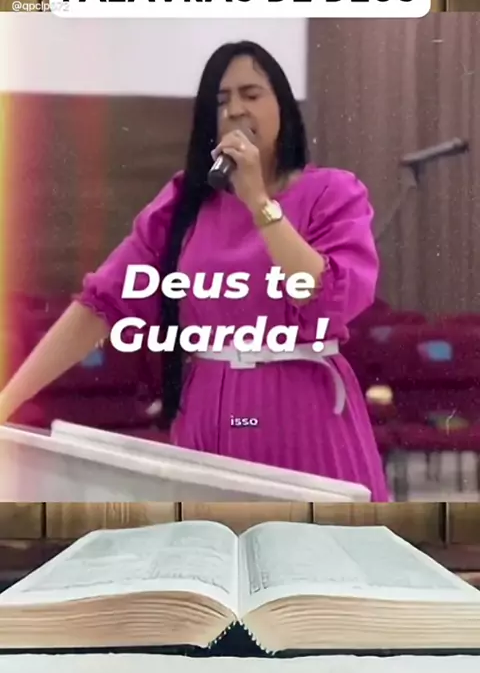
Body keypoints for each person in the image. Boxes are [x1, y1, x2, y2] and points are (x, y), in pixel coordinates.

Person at [0, 40, 389, 501]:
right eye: (221, 101)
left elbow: (322, 293)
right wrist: (8, 400)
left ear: (283, 106)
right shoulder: (183, 204)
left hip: (303, 410)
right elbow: (101, 304)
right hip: (208, 411)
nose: (236, 110)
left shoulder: (332, 193)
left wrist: (257, 201)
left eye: (251, 94)